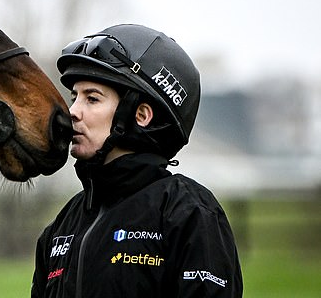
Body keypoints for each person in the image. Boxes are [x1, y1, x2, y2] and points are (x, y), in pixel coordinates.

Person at [31, 24, 243, 297]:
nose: (72, 112)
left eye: (92, 99)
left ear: (141, 115)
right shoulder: (61, 226)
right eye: (75, 97)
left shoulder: (189, 213)